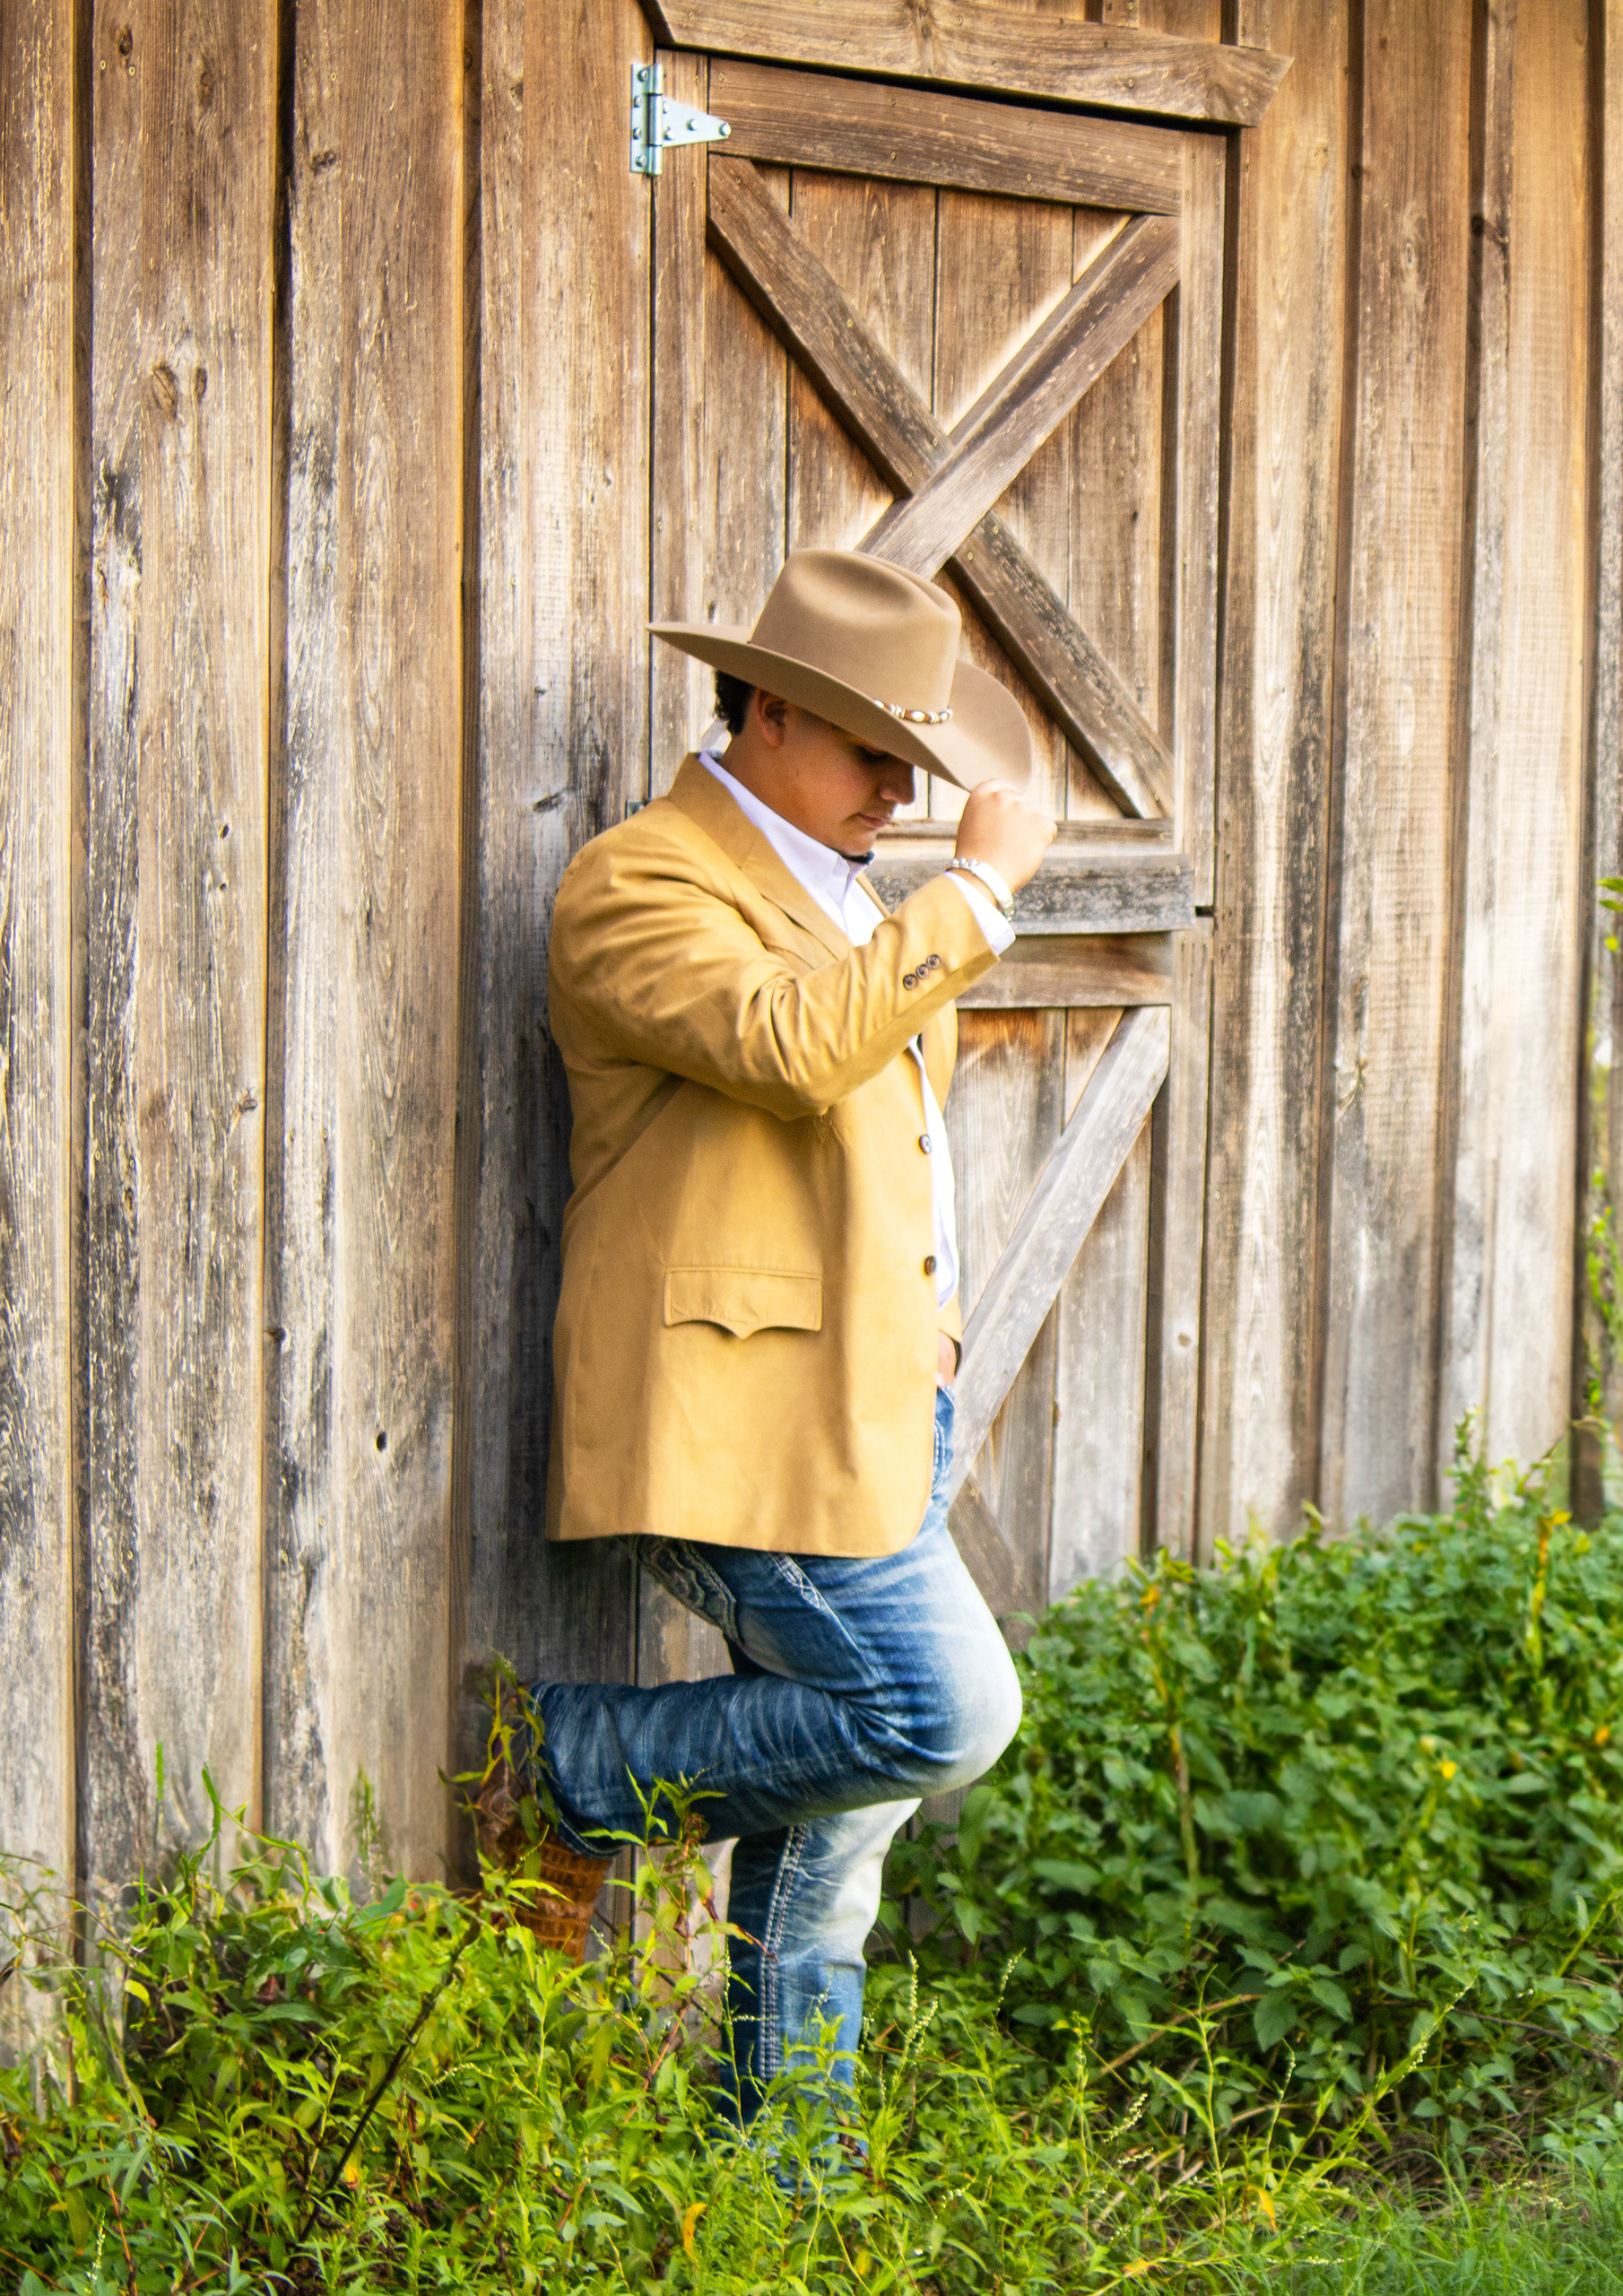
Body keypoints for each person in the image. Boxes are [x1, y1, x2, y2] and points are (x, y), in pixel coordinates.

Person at [483, 548, 1056, 2126]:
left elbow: (898, 1151)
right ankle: (574, 1768)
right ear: (772, 713)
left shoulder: (852, 901)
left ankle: (786, 2182)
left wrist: (936, 1334)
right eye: (874, 750)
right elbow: (789, 1049)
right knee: (940, 1715)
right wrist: (979, 895)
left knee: (833, 1850)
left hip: (874, 1410)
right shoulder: (641, 883)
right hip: (732, 1418)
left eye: (914, 761)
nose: (900, 790)